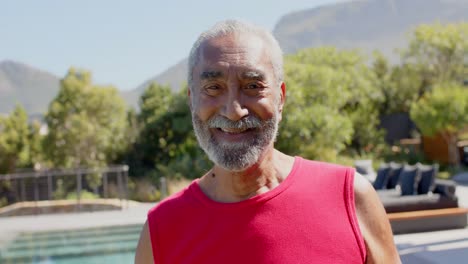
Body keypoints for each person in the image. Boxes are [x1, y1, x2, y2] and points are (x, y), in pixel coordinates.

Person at [135, 19, 400, 264]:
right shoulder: (162, 230)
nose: (233, 111)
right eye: (213, 88)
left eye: (252, 86)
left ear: (280, 98)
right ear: (192, 99)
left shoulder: (351, 197)